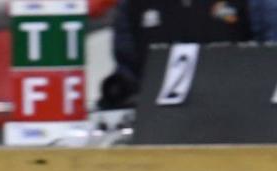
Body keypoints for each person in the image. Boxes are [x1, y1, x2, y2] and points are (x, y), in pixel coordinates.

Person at [99, 0, 254, 109]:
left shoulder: (251, 4)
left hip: (234, 106)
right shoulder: (133, 5)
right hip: (157, 112)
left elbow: (267, 51)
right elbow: (127, 63)